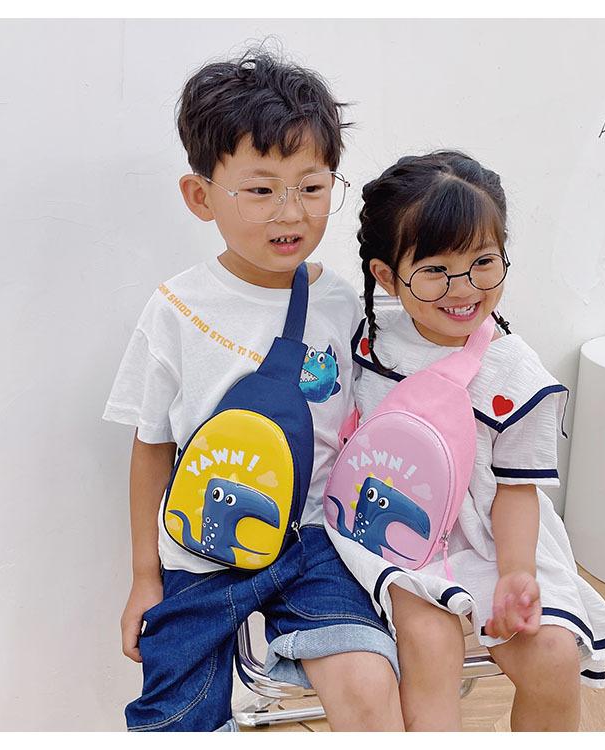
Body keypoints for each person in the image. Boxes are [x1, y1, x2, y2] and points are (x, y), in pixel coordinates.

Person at [102, 49, 404, 732]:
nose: (290, 212)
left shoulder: (343, 304)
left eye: (312, 186)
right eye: (261, 190)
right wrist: (145, 576)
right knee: (177, 721)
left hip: (314, 542)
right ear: (200, 196)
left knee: (370, 687)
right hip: (200, 552)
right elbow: (152, 447)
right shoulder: (177, 310)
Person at [324, 150, 605, 731]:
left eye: (483, 262)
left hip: (493, 538)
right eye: (435, 269)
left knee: (553, 657)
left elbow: (516, 492)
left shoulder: (515, 376)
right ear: (386, 277)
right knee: (429, 640)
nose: (463, 288)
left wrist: (517, 573)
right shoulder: (368, 341)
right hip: (396, 534)